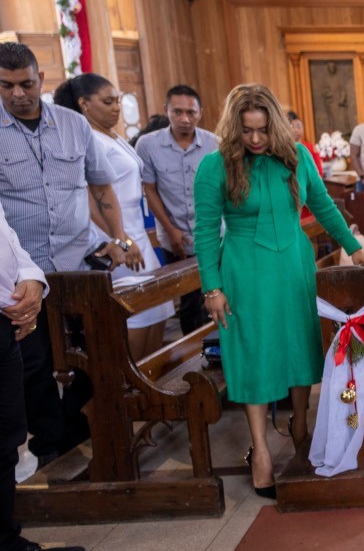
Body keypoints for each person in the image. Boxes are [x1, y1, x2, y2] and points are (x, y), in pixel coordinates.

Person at [194, 84, 364, 500]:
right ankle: (260, 451)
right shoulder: (215, 166)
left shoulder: (297, 159)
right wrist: (212, 288)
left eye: (263, 130)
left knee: (299, 346)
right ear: (234, 128)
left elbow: (325, 207)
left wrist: (356, 248)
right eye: (246, 131)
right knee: (254, 352)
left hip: (294, 265)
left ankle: (300, 425)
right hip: (244, 268)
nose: (256, 139)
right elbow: (205, 230)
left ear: (276, 125)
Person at [0, 42, 128, 464]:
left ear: (41, 79)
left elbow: (100, 185)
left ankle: (74, 428)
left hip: (76, 263)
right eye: (6, 85)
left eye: (26, 83)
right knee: (34, 365)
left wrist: (119, 238)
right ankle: (50, 443)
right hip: (23, 272)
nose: (18, 94)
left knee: (93, 353)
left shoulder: (74, 125)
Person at [53, 73, 174, 360]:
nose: (116, 107)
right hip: (117, 238)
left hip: (136, 233)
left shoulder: (112, 135)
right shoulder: (85, 138)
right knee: (134, 316)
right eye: (107, 101)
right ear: (84, 103)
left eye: (117, 100)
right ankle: (128, 390)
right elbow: (89, 197)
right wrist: (118, 240)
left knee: (157, 311)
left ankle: (148, 388)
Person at [0, 202, 85, 551]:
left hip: (7, 321)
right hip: (6, 309)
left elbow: (8, 238)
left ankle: (6, 544)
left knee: (7, 436)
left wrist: (32, 279)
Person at [138, 84, 218, 333]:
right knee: (190, 301)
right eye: (178, 112)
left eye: (191, 113)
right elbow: (149, 188)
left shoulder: (214, 143)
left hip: (213, 234)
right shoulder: (148, 145)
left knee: (216, 293)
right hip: (175, 235)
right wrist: (170, 230)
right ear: (166, 111)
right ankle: (194, 356)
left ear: (200, 113)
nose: (185, 119)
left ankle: (218, 346)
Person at [287, 110, 324, 178]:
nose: (296, 130)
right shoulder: (285, 149)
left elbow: (319, 172)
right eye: (292, 127)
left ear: (303, 128)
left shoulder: (311, 147)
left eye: (298, 127)